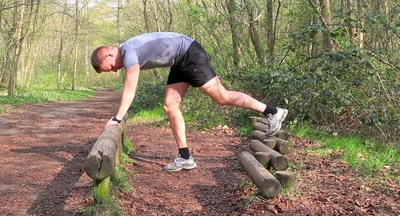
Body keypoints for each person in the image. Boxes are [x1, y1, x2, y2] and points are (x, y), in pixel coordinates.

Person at [90, 32, 287, 172]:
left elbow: (130, 88)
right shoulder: (128, 50)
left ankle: (272, 111)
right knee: (170, 105)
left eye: (109, 67)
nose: (114, 70)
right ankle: (185, 157)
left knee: (221, 97)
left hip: (189, 54)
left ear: (108, 54)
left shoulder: (129, 52)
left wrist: (117, 118)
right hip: (179, 60)